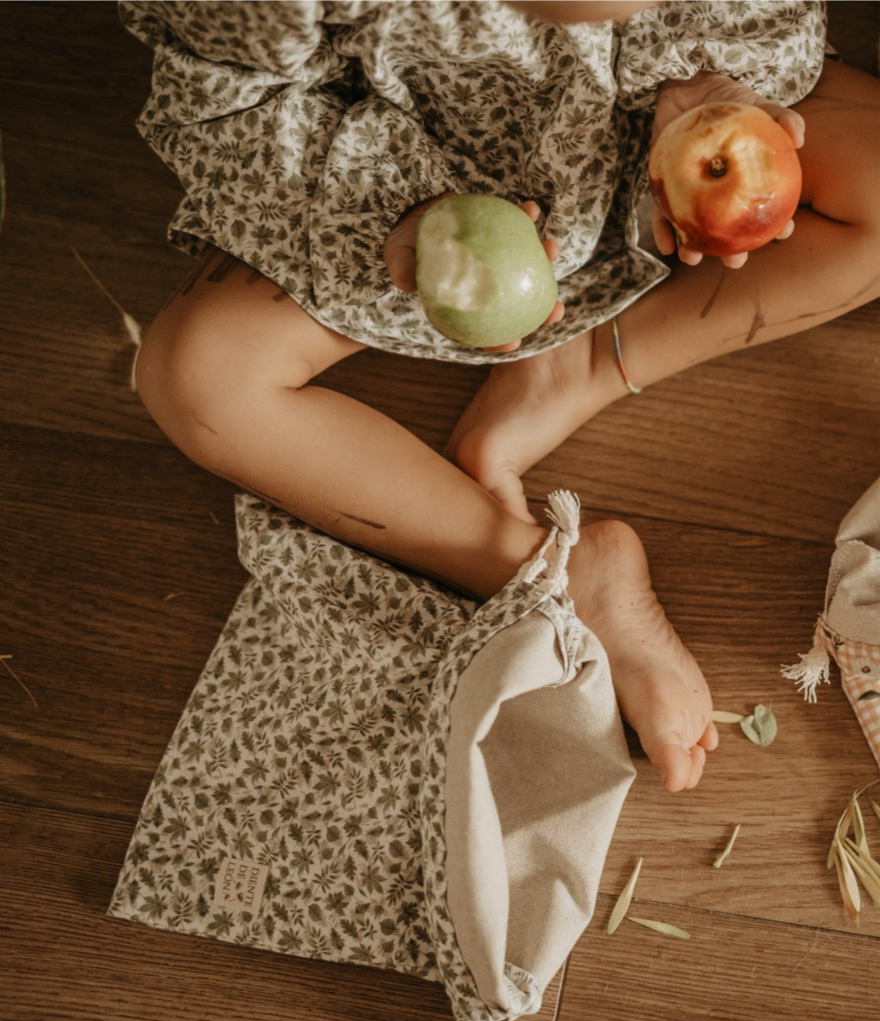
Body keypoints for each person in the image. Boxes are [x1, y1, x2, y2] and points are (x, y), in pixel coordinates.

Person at [123, 0, 880, 792]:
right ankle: (549, 573)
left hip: (635, 153)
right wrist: (395, 214)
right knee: (196, 375)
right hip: (405, 204)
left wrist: (703, 80)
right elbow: (218, 107)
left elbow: (768, 15)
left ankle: (589, 358)